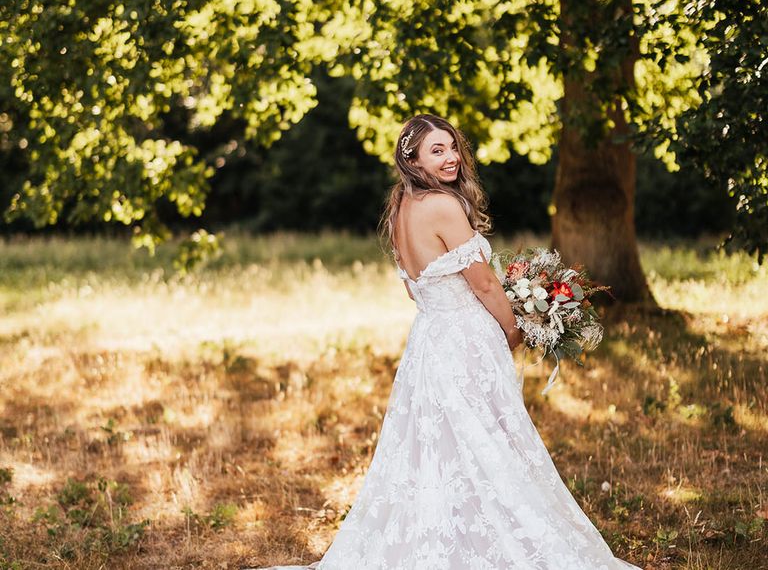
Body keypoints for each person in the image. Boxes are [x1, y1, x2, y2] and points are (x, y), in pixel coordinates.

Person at [252, 114, 640, 569]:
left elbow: (412, 286)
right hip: (465, 340)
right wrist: (517, 329)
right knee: (489, 444)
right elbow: (485, 286)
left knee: (436, 450)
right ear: (411, 158)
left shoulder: (399, 209)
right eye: (437, 150)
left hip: (429, 341)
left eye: (453, 147)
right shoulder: (443, 206)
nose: (452, 156)